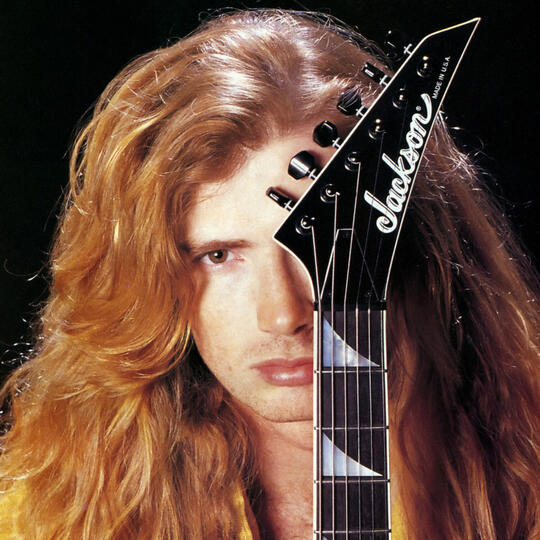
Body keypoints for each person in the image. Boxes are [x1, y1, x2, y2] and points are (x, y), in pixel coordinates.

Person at [0, 8, 538, 539]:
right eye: (219, 255)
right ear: (154, 278)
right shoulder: (47, 515)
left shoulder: (527, 478)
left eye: (324, 247)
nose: (282, 316)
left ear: (417, 246)